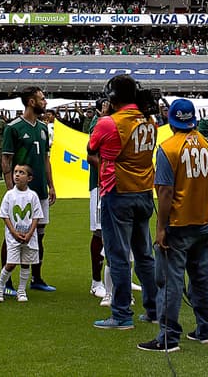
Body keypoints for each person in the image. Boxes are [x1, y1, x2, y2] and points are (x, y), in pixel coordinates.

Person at [140, 98, 208, 353]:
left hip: (177, 223)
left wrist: (161, 228)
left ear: (171, 121)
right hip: (202, 223)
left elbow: (164, 192)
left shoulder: (168, 148)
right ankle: (206, 330)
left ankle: (168, 336)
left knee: (169, 282)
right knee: (201, 278)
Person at [89, 74, 159, 330]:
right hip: (143, 191)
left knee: (118, 257)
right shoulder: (150, 121)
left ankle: (121, 315)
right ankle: (154, 309)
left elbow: (92, 149)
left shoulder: (109, 122)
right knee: (144, 255)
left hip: (117, 191)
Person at [0, 86, 56, 292]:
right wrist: (10, 191)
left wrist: (51, 185)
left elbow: (46, 159)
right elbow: (6, 159)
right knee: (12, 235)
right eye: (42, 99)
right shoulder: (13, 127)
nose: (45, 102)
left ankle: (37, 278)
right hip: (20, 192)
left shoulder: (42, 127)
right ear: (31, 102)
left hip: (39, 190)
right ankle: (6, 282)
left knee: (39, 234)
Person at [0, 163, 42, 303]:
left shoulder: (33, 196)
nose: (17, 175)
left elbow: (36, 216)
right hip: (13, 237)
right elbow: (5, 215)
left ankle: (21, 290)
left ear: (29, 178)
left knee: (26, 263)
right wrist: (14, 233)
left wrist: (30, 234)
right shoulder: (9, 195)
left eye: (21, 172)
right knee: (11, 263)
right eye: (15, 172)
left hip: (29, 237)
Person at [87, 98, 111, 303]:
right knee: (100, 231)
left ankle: (116, 277)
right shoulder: (98, 122)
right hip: (100, 184)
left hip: (119, 186)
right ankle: (97, 282)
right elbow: (91, 154)